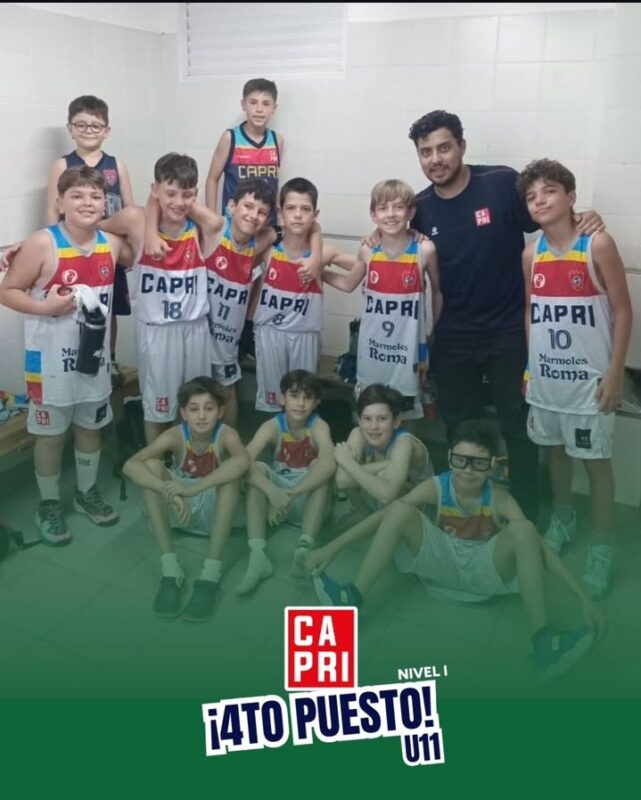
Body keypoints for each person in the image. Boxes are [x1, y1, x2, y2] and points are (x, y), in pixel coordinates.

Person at [408, 110, 604, 520]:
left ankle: (527, 517)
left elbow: (548, 214)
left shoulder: (499, 183)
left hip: (509, 331)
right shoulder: (420, 207)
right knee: (460, 426)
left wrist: (583, 216)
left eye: (444, 148)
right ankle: (463, 513)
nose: (436, 159)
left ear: (462, 146)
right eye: (426, 152)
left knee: (519, 427)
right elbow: (396, 238)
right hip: (452, 335)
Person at [313, 419, 605, 681]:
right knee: (399, 508)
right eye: (461, 461)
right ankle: (350, 599)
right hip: (439, 567)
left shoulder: (500, 499)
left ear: (492, 466)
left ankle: (545, 641)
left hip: (483, 574)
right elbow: (384, 516)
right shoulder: (437, 486)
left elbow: (539, 550)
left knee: (525, 530)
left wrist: (582, 598)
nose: (467, 470)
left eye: (478, 463)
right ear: (451, 459)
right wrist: (331, 548)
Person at [519, 159, 633, 600]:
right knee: (555, 453)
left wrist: (615, 373)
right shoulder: (531, 254)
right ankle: (563, 519)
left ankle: (603, 547)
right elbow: (531, 313)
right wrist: (530, 368)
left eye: (549, 191)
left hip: (591, 384)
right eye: (531, 196)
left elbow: (623, 311)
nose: (540, 201)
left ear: (570, 197)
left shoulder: (596, 244)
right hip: (547, 380)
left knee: (596, 464)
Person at [0, 166, 131, 545]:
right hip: (49, 363)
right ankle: (49, 504)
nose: (87, 203)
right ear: (60, 202)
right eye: (77, 196)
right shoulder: (42, 244)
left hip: (93, 361)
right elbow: (7, 290)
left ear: (105, 203)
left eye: (95, 196)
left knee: (90, 428)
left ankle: (85, 493)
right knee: (51, 436)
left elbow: (139, 225)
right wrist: (45, 308)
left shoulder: (112, 243)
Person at [101, 153, 225, 443]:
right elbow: (93, 231)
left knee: (197, 406)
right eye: (170, 193)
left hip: (195, 327)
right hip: (156, 330)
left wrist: (165, 202)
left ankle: (192, 460)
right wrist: (146, 234)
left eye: (187, 194)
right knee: (157, 408)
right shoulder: (135, 220)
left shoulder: (201, 226)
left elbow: (216, 221)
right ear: (154, 189)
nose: (178, 202)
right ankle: (159, 463)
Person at [123, 376, 249, 620]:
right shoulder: (174, 435)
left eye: (209, 408)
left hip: (215, 514)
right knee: (151, 465)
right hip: (181, 511)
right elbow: (130, 465)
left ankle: (211, 575)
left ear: (220, 412)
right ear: (183, 413)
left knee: (232, 475)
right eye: (194, 409)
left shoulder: (227, 435)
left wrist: (193, 489)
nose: (201, 416)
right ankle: (171, 571)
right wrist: (166, 489)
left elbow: (244, 462)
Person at [324, 179, 439, 419]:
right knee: (369, 412)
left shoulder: (424, 249)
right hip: (372, 350)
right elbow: (348, 284)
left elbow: (438, 292)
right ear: (373, 214)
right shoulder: (368, 250)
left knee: (405, 414)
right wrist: (318, 272)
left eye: (398, 207)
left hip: (408, 350)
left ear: (411, 212)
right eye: (383, 208)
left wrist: (434, 332)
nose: (391, 214)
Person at [46, 95, 135, 384]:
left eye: (95, 125)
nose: (88, 130)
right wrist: (55, 252)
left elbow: (130, 211)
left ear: (106, 130)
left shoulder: (117, 165)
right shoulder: (62, 165)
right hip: (73, 250)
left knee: (108, 309)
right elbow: (52, 213)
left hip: (108, 251)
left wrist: (128, 248)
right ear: (70, 128)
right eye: (81, 125)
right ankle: (75, 361)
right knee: (76, 307)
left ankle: (109, 358)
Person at [253, 177, 356, 412]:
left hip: (305, 335)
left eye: (305, 209)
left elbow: (368, 265)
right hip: (270, 334)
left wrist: (377, 240)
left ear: (315, 214)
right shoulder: (268, 250)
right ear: (280, 213)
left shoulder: (324, 253)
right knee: (272, 400)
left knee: (303, 402)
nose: (298, 215)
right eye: (291, 208)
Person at [238, 370, 336, 594]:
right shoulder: (272, 426)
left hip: (306, 498)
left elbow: (329, 463)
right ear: (282, 398)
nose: (300, 403)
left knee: (321, 469)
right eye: (294, 396)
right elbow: (242, 462)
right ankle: (257, 555)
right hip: (279, 497)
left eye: (307, 398)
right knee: (257, 468)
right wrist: (271, 490)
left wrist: (291, 494)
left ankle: (304, 548)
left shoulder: (319, 426)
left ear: (316, 403)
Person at [205, 78, 283, 225]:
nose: (259, 109)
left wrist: (279, 220)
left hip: (266, 226)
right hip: (235, 226)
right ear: (243, 105)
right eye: (253, 102)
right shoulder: (230, 138)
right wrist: (211, 220)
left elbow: (274, 183)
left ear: (274, 108)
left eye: (266, 104)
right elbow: (212, 179)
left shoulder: (277, 140)